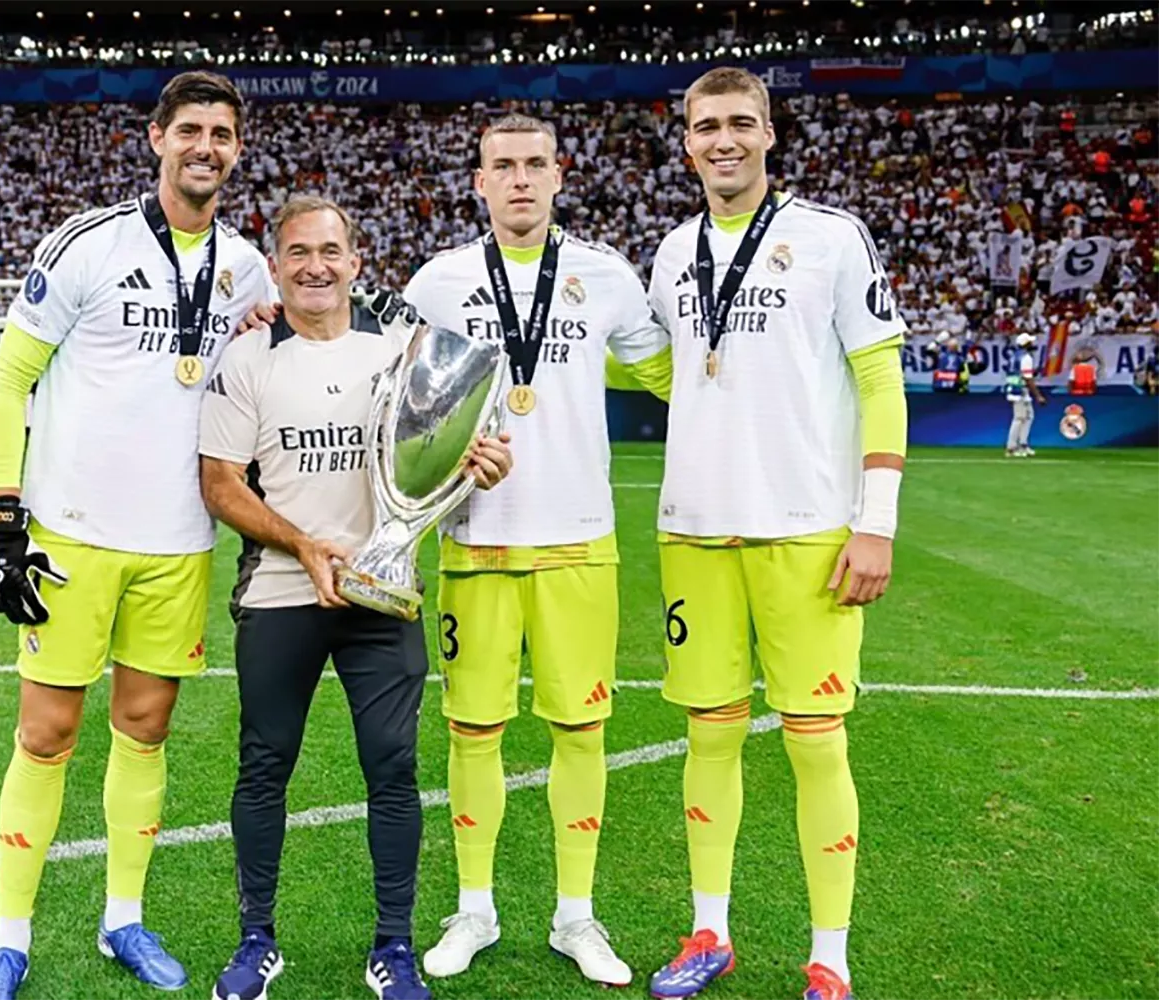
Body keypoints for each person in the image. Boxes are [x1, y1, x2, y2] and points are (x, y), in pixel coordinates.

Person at [0, 71, 274, 1000]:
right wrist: (1, 520)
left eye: (222, 133)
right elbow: (6, 382)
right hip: (73, 537)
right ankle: (9, 940)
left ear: (238, 149)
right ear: (156, 138)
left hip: (179, 542)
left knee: (145, 728)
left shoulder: (249, 269)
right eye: (190, 130)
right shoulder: (86, 246)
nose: (205, 147)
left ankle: (123, 921)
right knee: (47, 731)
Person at [200, 194, 513, 1000]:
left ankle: (394, 949)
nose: (315, 267)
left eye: (330, 251)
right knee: (264, 766)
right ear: (277, 266)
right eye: (299, 252)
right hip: (279, 591)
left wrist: (475, 463)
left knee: (393, 767)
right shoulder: (248, 358)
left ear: (356, 261)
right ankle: (256, 941)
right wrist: (301, 545)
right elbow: (221, 485)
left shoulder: (401, 351)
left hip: (383, 592)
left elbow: (439, 451)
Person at [643, 68, 907, 1000]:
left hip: (807, 530)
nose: (724, 139)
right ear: (686, 143)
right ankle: (708, 931)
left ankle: (828, 957)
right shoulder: (672, 253)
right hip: (695, 531)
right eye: (706, 125)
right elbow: (679, 376)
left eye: (740, 123)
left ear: (769, 134)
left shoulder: (832, 238)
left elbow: (879, 381)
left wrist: (875, 525)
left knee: (814, 737)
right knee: (708, 735)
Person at [400, 114, 672, 989]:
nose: (520, 179)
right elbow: (395, 398)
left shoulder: (608, 278)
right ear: (478, 182)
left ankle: (574, 917)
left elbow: (676, 377)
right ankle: (473, 910)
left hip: (578, 539)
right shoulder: (438, 284)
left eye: (535, 165)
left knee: (580, 730)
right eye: (502, 166)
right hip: (474, 540)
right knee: (472, 729)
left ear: (560, 176)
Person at [1005, 332, 1046, 457]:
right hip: (1020, 390)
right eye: (1030, 342)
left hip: (1014, 388)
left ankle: (1023, 444)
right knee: (1019, 418)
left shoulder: (1014, 356)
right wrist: (1038, 395)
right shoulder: (1026, 358)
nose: (1033, 344)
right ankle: (1011, 447)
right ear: (1026, 344)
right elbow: (1028, 379)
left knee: (1028, 417)